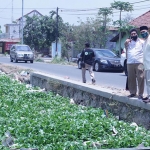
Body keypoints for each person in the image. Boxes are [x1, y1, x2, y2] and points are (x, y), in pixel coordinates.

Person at [124, 28, 145, 99]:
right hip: (130, 63)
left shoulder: (142, 42)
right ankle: (132, 92)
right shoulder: (128, 43)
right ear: (130, 35)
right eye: (132, 34)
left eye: (134, 34)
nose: (133, 35)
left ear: (137, 34)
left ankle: (141, 94)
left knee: (141, 78)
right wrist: (126, 43)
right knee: (131, 78)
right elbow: (125, 49)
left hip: (140, 63)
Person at [140, 26, 150, 103]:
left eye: (143, 32)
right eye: (141, 33)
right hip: (146, 65)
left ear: (147, 31)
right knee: (148, 81)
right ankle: (148, 95)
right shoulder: (145, 41)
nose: (142, 33)